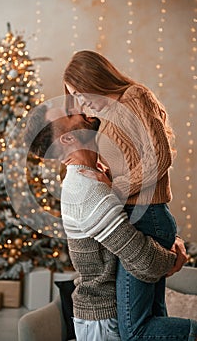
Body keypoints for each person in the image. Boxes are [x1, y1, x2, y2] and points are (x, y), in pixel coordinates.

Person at [24, 104, 197, 341]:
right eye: (69, 113)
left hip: (118, 311)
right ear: (67, 138)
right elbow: (143, 259)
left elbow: (134, 228)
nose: (77, 107)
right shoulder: (85, 188)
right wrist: (173, 255)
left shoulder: (98, 174)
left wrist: (172, 240)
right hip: (105, 321)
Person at [63, 50, 196, 340]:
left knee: (134, 331)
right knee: (152, 317)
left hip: (147, 214)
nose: (80, 101)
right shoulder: (104, 116)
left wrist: (114, 187)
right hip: (138, 215)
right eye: (74, 95)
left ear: (94, 78)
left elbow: (159, 158)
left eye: (81, 92)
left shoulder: (133, 97)